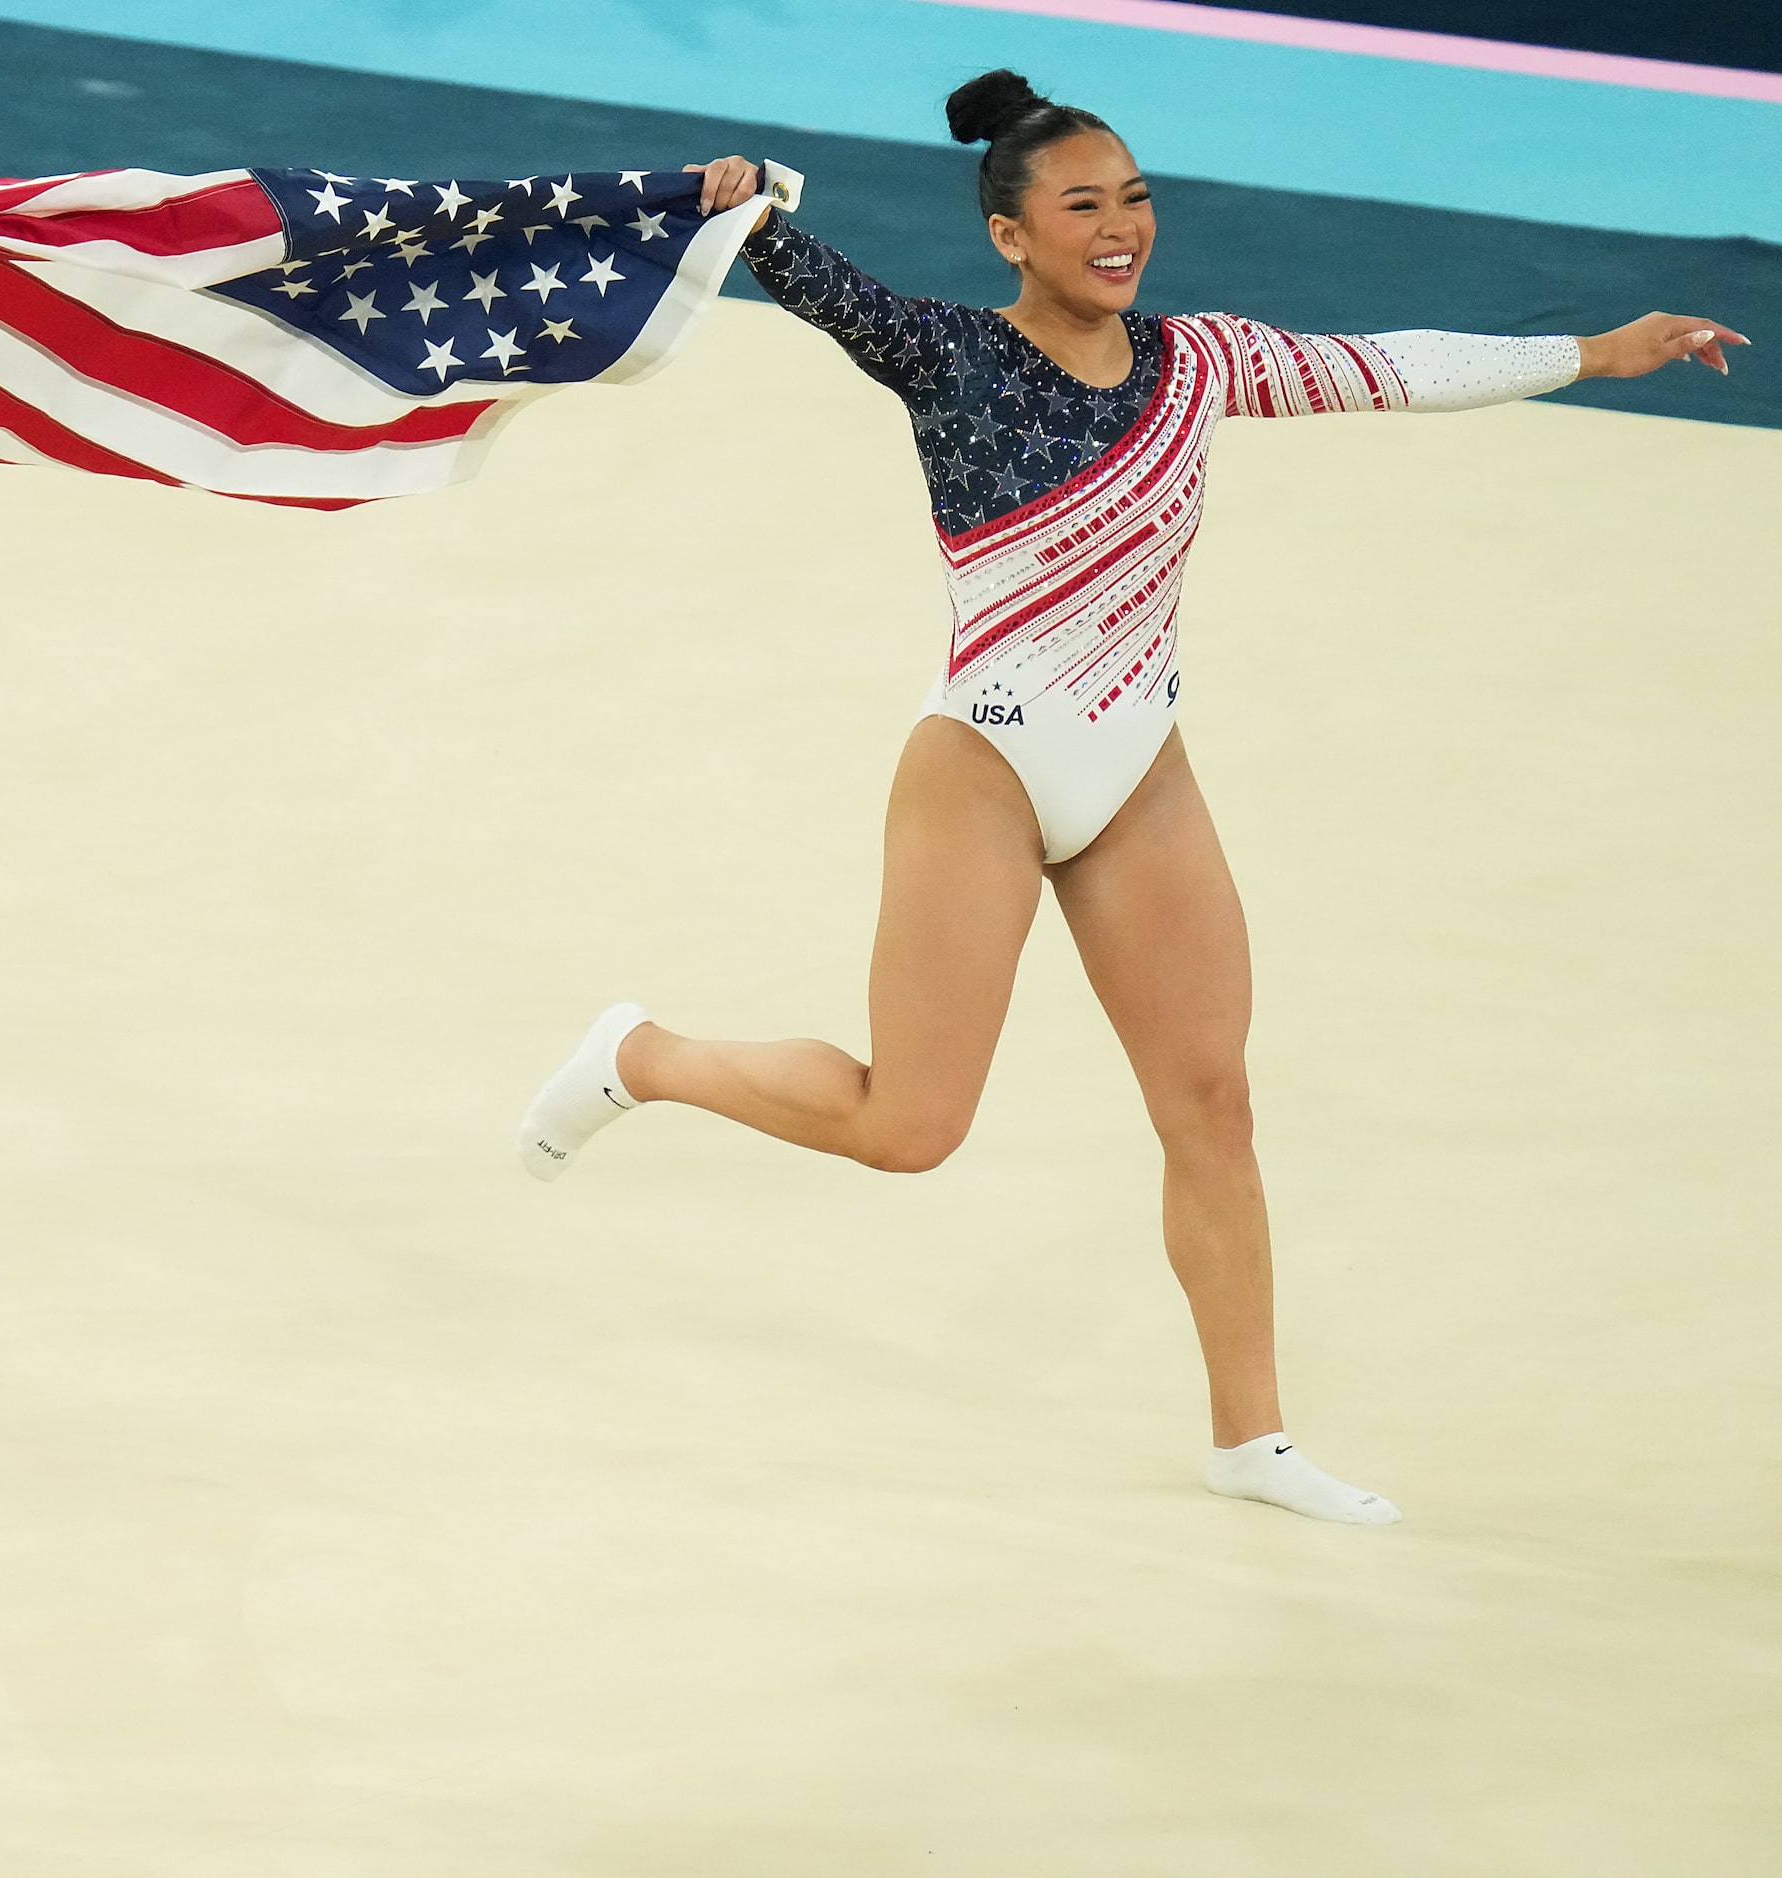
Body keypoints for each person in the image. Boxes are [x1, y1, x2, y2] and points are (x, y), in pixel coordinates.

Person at [516, 70, 1746, 1523]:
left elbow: (1384, 363)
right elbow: (807, 275)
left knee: (1211, 1102)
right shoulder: (945, 354)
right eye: (1081, 207)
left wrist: (1593, 352)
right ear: (1007, 236)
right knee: (910, 1128)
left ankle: (1252, 1438)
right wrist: (744, 204)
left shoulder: (1200, 361)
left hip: (1133, 770)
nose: (1120, 230)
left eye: (1135, 199)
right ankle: (640, 1054)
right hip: (980, 770)